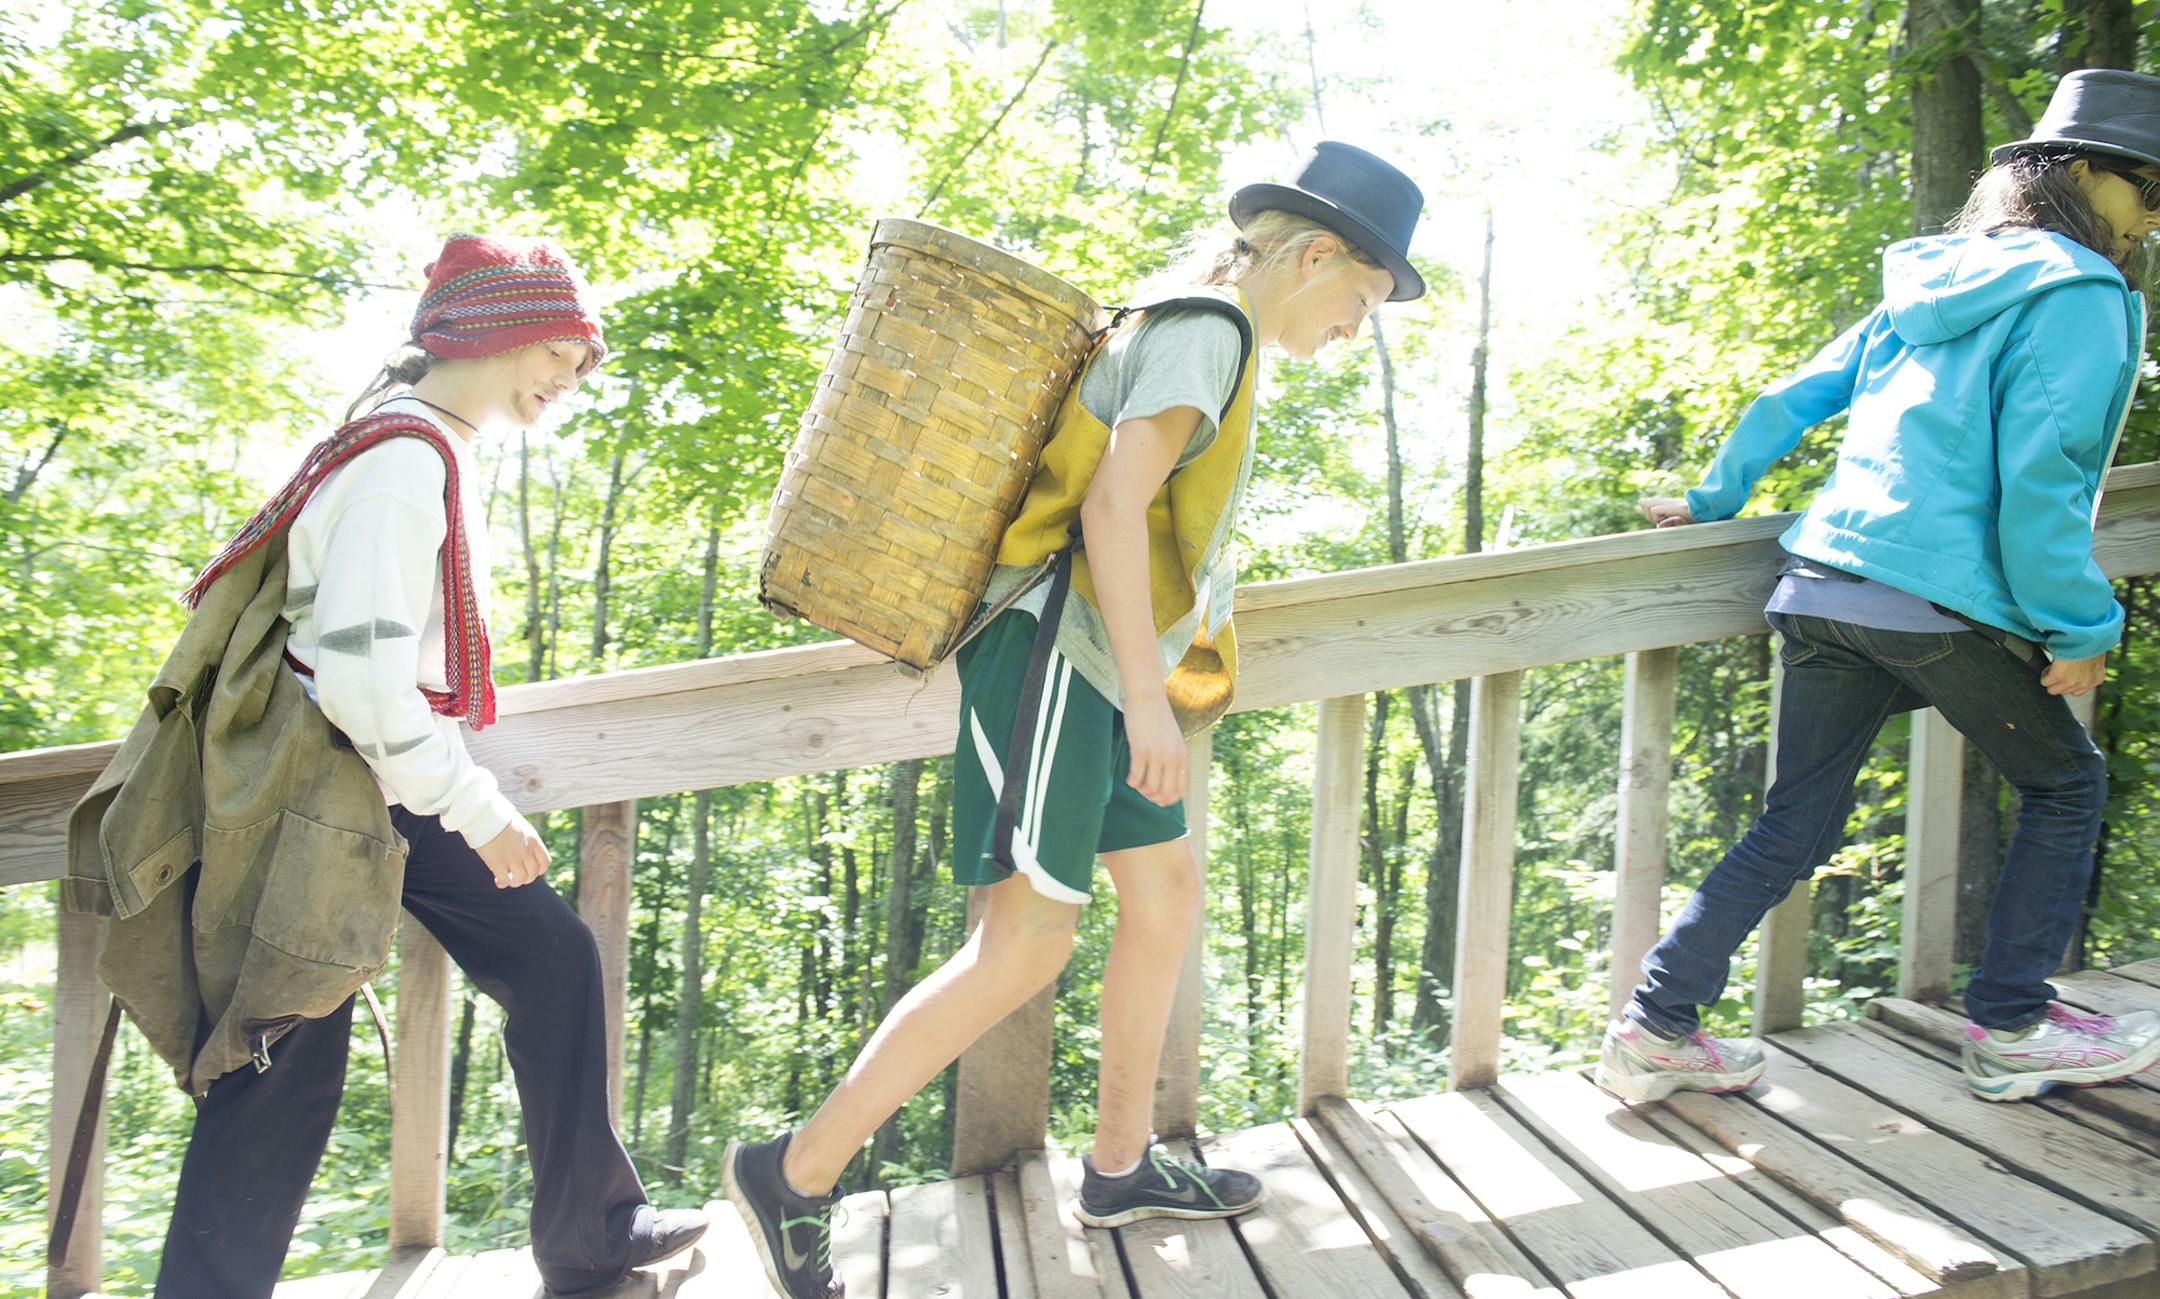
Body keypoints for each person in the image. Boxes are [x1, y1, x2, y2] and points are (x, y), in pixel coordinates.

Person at [723, 142, 1427, 1298]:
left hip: (1100, 666)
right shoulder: (1210, 328)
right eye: (1363, 298)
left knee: (1166, 894)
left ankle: (1118, 1166)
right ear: (1314, 256)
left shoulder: (1209, 330)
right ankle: (794, 1176)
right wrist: (1150, 706)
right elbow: (1111, 502)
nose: (1358, 326)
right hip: (1057, 658)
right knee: (1021, 947)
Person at [74, 233, 705, 1297]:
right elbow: (364, 686)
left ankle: (594, 1234)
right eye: (563, 351)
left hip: (371, 789)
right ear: (499, 332)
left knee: (548, 960)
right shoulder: (401, 466)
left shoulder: (411, 447)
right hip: (323, 800)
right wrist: (477, 807)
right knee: (281, 1058)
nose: (572, 378)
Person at [1599, 69, 2160, 1107]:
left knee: (1795, 824)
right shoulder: (2081, 293)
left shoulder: (1934, 278)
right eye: (2149, 188)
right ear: (2080, 173)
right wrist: (2081, 623)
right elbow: (2045, 478)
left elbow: (1793, 394)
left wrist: (1716, 493)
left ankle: (1656, 1027)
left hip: (1825, 582)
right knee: (2066, 783)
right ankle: (2014, 1024)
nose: (2157, 218)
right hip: (1936, 602)